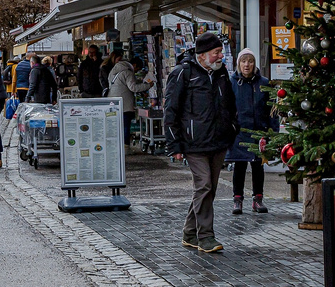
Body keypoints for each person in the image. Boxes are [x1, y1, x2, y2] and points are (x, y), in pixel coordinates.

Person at [164, 31, 237, 254]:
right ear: (203, 55)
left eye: (220, 53)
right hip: (193, 143)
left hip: (217, 141)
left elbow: (229, 104)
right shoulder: (183, 73)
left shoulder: (221, 73)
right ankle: (205, 237)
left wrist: (233, 128)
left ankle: (189, 232)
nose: (220, 57)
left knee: (208, 189)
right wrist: (174, 145)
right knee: (204, 185)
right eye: (216, 53)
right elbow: (170, 111)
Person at [227, 48, 275, 215]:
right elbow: (225, 108)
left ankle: (258, 199)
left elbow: (272, 110)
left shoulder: (263, 83)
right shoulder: (232, 82)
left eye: (250, 61)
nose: (247, 65)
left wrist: (271, 132)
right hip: (239, 132)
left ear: (255, 64)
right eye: (244, 61)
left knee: (257, 166)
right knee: (239, 166)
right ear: (239, 64)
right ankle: (237, 200)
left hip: (259, 131)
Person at [105, 49, 151, 145]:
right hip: (124, 104)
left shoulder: (114, 71)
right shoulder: (128, 72)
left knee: (117, 126)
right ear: (134, 65)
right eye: (137, 69)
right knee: (125, 126)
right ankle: (125, 146)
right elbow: (133, 87)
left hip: (113, 102)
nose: (136, 71)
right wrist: (148, 85)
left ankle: (116, 145)